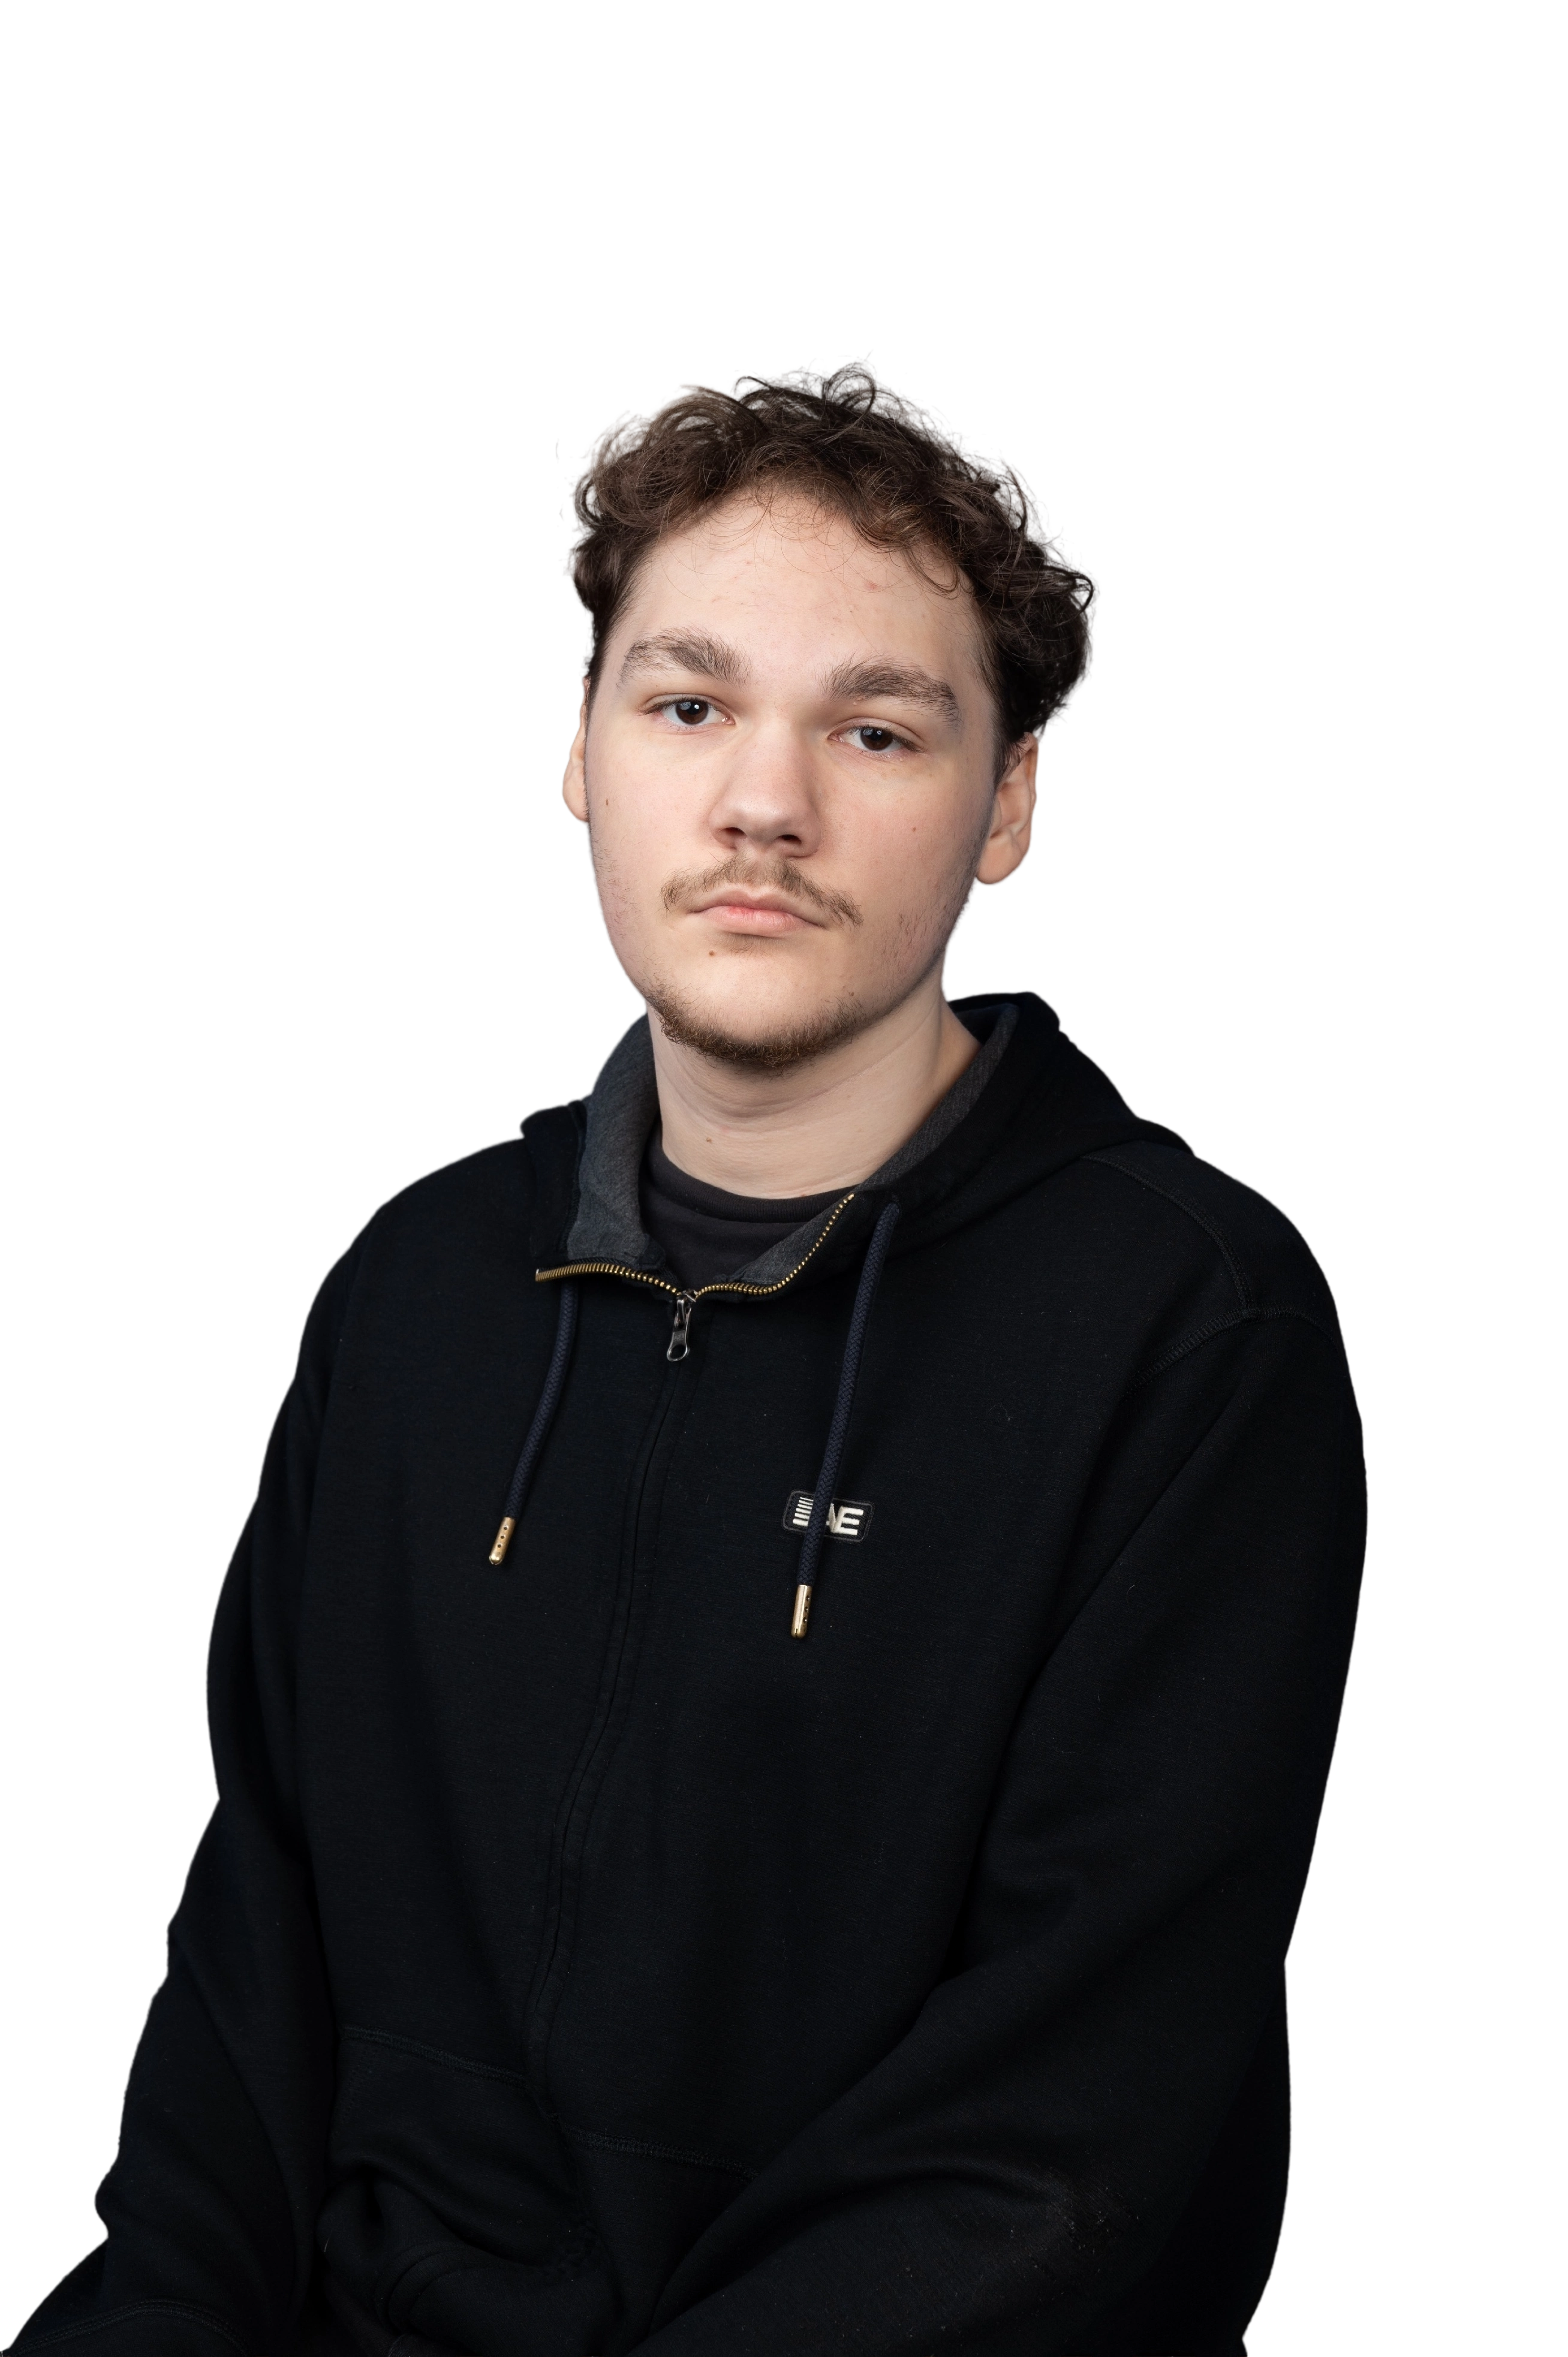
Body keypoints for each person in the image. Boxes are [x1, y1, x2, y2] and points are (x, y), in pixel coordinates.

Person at [11, 357, 1367, 2357]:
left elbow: (1064, 2132)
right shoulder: (415, 1283)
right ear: (579, 746)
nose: (762, 803)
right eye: (688, 704)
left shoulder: (1191, 1325)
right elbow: (250, 1967)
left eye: (875, 729)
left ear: (1005, 805)